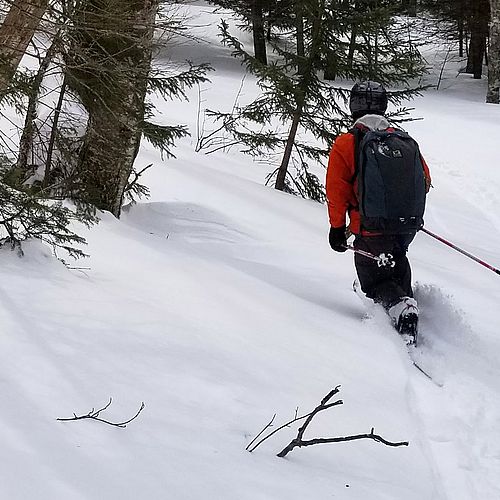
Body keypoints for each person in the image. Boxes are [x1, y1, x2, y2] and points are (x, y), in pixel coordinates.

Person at [326, 81, 431, 339]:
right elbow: (425, 180)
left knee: (372, 275)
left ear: (353, 107)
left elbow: (336, 192)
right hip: (406, 225)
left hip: (370, 227)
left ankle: (402, 310)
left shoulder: (347, 143)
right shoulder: (402, 140)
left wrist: (337, 228)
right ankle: (405, 301)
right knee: (397, 260)